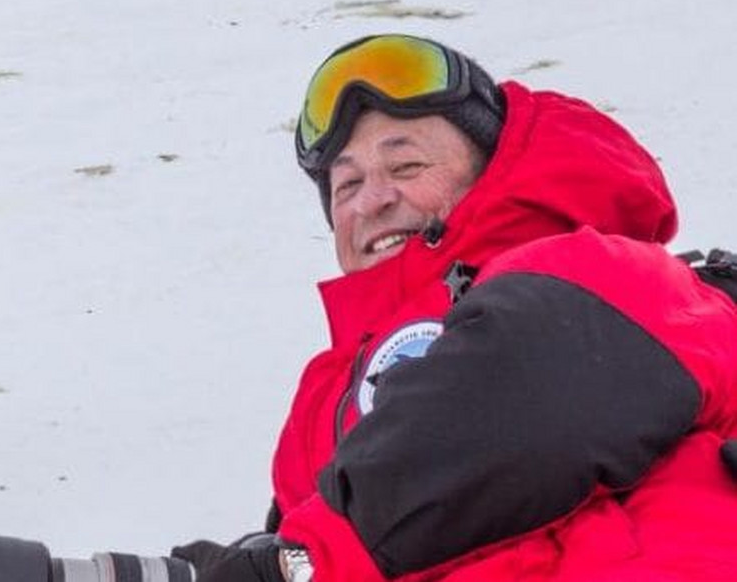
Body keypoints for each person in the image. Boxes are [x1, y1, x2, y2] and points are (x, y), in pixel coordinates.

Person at [172, 34, 737, 581]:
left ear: (489, 173)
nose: (373, 199)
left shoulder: (610, 277)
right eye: (346, 186)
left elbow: (527, 402)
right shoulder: (319, 417)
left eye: (407, 167)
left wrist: (294, 562)